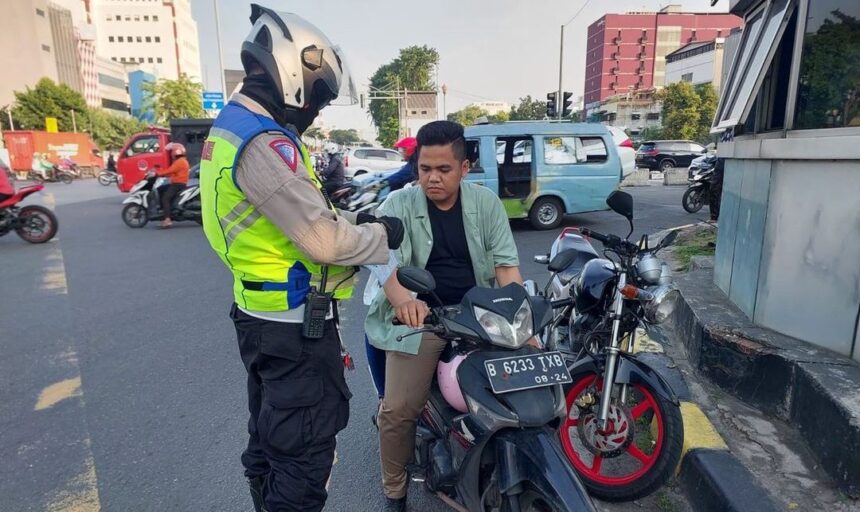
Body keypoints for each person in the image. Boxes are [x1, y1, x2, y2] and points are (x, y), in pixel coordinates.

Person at [198, 5, 404, 512]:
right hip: (294, 328)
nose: (317, 109)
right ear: (294, 72)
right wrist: (382, 233)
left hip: (259, 313)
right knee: (306, 456)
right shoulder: (263, 142)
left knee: (270, 442)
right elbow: (324, 242)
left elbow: (300, 219)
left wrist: (350, 222)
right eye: (320, 95)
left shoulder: (231, 128)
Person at [365, 120, 525, 512]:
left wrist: (522, 322)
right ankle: (395, 492)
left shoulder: (486, 203)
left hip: (480, 314)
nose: (432, 178)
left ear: (465, 168)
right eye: (424, 169)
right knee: (399, 407)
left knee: (525, 387)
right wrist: (405, 300)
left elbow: (506, 269)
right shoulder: (397, 205)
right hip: (424, 317)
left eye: (443, 169)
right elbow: (384, 261)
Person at [154, 142, 189, 229]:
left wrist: (157, 173)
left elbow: (170, 171)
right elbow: (172, 172)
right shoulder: (182, 161)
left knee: (165, 198)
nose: (171, 153)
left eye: (172, 151)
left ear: (175, 152)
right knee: (162, 189)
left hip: (178, 184)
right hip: (178, 183)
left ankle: (167, 220)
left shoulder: (179, 162)